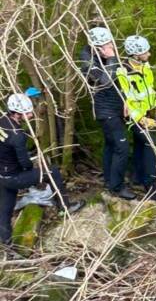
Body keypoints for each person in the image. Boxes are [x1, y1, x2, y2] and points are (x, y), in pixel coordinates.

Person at [0, 94, 84, 246]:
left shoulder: (2, 121)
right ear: (17, 113)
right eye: (28, 113)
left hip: (3, 175)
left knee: (6, 208)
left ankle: (6, 241)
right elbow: (25, 163)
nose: (31, 115)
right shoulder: (18, 135)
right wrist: (31, 173)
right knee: (53, 172)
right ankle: (64, 207)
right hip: (14, 176)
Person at [79, 26, 135, 200]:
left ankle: (110, 181)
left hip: (117, 107)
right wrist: (111, 59)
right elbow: (105, 81)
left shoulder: (110, 53)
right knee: (122, 148)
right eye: (103, 46)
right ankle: (117, 187)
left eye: (109, 44)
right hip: (106, 111)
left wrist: (127, 100)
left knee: (111, 146)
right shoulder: (88, 60)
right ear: (96, 47)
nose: (108, 48)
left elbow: (122, 79)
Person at [116, 35, 156, 202]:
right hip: (135, 118)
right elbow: (127, 100)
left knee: (140, 147)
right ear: (136, 55)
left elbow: (149, 91)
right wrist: (141, 119)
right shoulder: (123, 71)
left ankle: (137, 177)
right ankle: (151, 186)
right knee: (151, 147)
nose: (149, 54)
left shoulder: (145, 67)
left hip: (147, 114)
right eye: (145, 52)